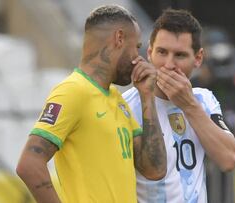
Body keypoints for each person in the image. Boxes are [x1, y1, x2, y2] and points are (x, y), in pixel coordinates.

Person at [16, 5, 166, 203]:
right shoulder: (72, 91)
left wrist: (147, 97)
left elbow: (154, 169)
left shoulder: (116, 98)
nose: (138, 59)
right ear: (119, 38)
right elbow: (29, 164)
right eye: (136, 47)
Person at [123, 9, 235, 203]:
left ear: (198, 59)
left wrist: (189, 105)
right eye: (162, 52)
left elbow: (228, 159)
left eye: (180, 55)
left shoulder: (203, 100)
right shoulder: (126, 106)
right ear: (150, 52)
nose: (169, 64)